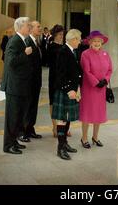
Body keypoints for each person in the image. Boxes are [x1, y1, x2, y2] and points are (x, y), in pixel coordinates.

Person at [1, 17, 33, 154]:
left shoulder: (22, 40)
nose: (30, 27)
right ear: (20, 27)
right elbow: (10, 62)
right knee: (12, 117)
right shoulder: (14, 41)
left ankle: (14, 141)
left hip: (20, 86)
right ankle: (8, 145)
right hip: (14, 86)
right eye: (28, 25)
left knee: (18, 116)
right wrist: (25, 54)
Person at [79, 30, 113, 149]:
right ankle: (84, 138)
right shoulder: (85, 54)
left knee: (98, 113)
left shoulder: (105, 54)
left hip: (101, 89)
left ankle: (95, 137)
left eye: (99, 41)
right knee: (87, 113)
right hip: (89, 88)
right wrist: (96, 82)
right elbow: (86, 71)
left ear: (102, 43)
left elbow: (110, 69)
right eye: (95, 41)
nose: (97, 43)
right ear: (90, 42)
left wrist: (105, 80)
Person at [52, 29, 82, 160]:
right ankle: (60, 148)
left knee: (67, 118)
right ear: (73, 39)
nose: (80, 42)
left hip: (72, 90)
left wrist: (77, 88)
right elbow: (60, 74)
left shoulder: (72, 51)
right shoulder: (63, 52)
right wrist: (69, 89)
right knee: (62, 120)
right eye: (79, 39)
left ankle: (65, 143)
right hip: (65, 91)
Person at [21, 20, 43, 140]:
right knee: (27, 107)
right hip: (29, 82)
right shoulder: (27, 42)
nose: (40, 28)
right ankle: (23, 131)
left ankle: (30, 129)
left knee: (33, 106)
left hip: (36, 82)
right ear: (31, 28)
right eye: (38, 27)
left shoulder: (36, 42)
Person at [47, 24, 65, 138]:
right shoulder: (51, 47)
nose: (61, 36)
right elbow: (51, 63)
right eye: (59, 34)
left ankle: (63, 127)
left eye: (63, 34)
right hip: (54, 77)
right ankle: (54, 127)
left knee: (63, 103)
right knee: (53, 102)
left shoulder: (64, 46)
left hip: (63, 77)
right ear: (54, 35)